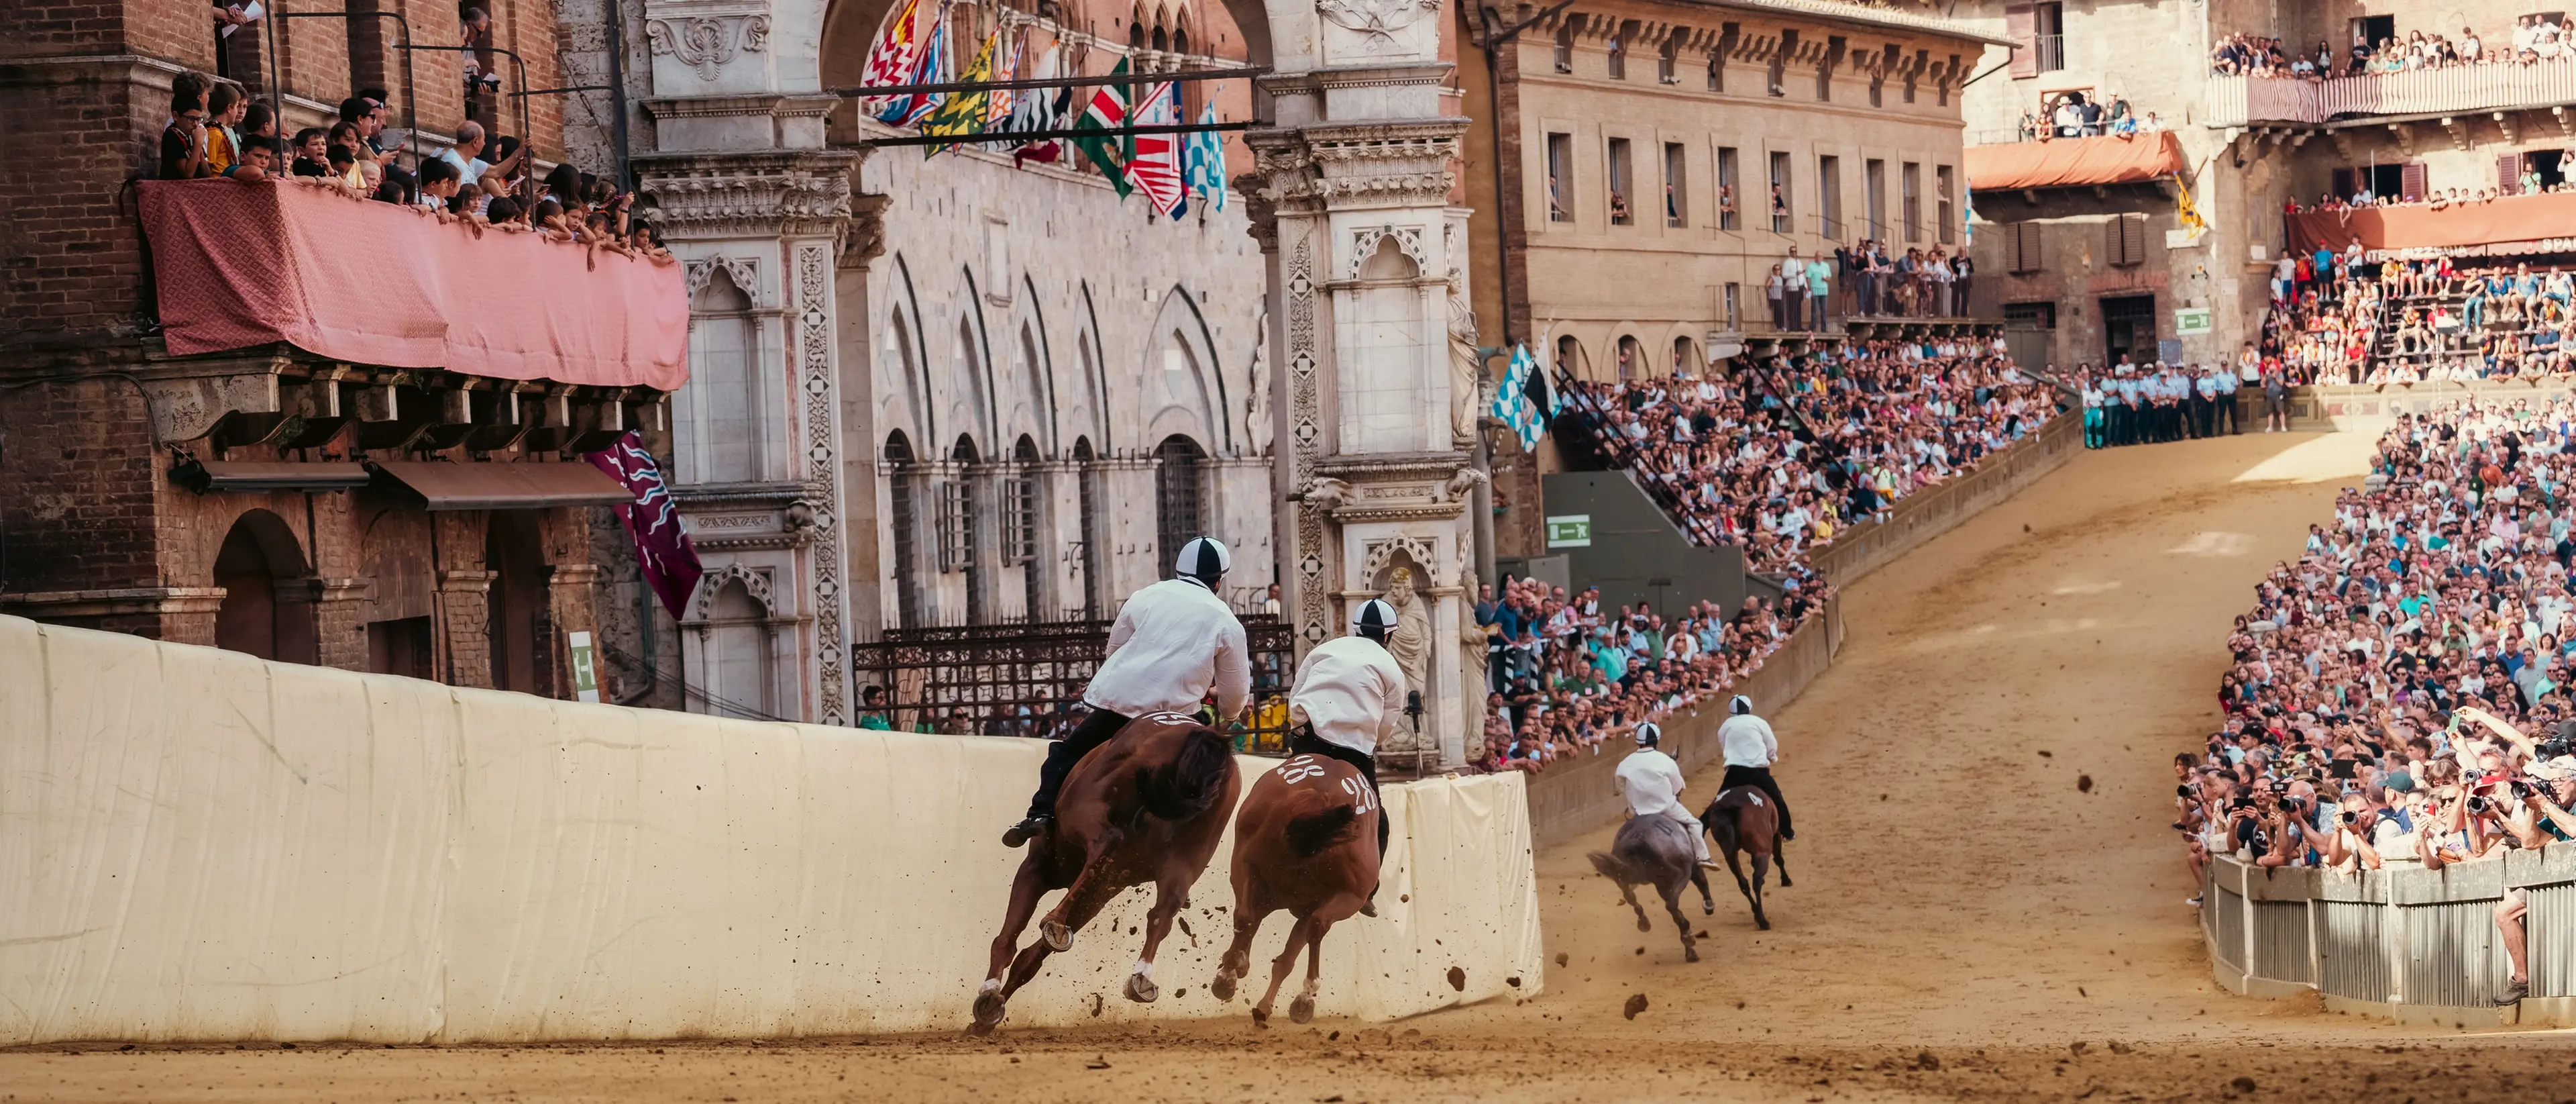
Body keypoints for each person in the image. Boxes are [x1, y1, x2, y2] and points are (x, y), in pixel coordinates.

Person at [1003, 536, 1251, 847]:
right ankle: (1181, 855)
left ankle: (1039, 814)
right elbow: (1236, 693)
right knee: (1209, 779)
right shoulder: (1227, 621)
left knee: (1065, 753)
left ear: (1179, 570)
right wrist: (1227, 710)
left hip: (1119, 706)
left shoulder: (1145, 596)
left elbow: (1116, 649)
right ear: (1219, 582)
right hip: (1176, 714)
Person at [1286, 597, 1407, 907]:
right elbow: (1386, 725)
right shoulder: (1391, 668)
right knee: (1378, 821)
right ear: (1388, 636)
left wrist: (1299, 731)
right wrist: (1369, 743)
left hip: (1310, 740)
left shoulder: (1324, 650)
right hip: (1354, 754)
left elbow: (1297, 693)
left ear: (1354, 630)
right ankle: (1367, 891)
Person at [1614, 721, 1716, 868]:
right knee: (1695, 823)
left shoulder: (1625, 762)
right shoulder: (1665, 760)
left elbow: (1620, 786)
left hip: (1638, 811)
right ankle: (1703, 857)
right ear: (1656, 740)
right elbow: (1677, 787)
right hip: (1666, 809)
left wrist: (1634, 794)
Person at [1717, 694, 1791, 840]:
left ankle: (1702, 828)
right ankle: (1787, 831)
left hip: (1735, 773)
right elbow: (1771, 745)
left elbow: (1724, 745)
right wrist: (1772, 757)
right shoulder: (1759, 722)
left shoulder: (1725, 725)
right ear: (1749, 708)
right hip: (1758, 773)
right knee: (1777, 799)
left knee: (1717, 802)